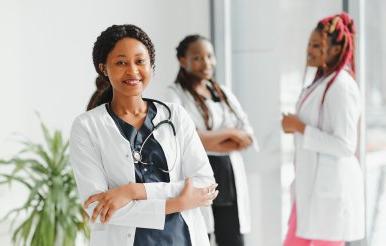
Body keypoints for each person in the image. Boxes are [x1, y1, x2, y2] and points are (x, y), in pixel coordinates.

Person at [69, 24, 218, 246]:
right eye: (121, 62)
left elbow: (204, 184)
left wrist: (132, 191)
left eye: (140, 61)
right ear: (104, 68)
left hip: (182, 238)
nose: (132, 71)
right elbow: (97, 207)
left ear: (151, 65)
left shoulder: (175, 115)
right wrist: (177, 203)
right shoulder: (87, 126)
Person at [165, 34, 258, 246]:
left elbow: (248, 136)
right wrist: (231, 133)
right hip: (198, 176)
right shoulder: (174, 95)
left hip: (228, 176)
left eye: (209, 56)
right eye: (197, 57)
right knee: (200, 236)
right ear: (182, 60)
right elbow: (187, 139)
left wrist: (208, 139)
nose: (206, 62)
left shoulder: (222, 92)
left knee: (232, 238)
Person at [281, 13, 365, 246]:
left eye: (317, 45)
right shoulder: (322, 82)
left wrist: (299, 126)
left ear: (337, 50)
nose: (310, 49)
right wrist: (297, 127)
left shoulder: (342, 87)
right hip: (309, 192)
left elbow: (346, 145)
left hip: (328, 194)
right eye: (310, 43)